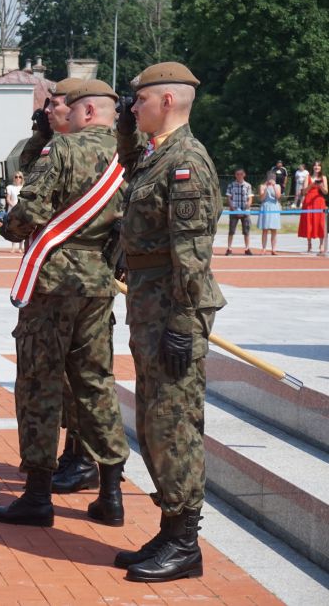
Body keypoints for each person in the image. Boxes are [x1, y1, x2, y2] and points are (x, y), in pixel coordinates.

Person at [0, 79, 130, 531]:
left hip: (52, 282)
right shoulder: (132, 157)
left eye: (70, 109)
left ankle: (37, 496)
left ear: (88, 112)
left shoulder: (64, 152)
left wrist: (8, 226)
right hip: (99, 281)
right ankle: (111, 493)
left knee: (39, 384)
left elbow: (27, 216)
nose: (65, 116)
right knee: (95, 382)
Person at [114, 62, 226, 582]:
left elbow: (192, 255)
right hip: (151, 307)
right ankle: (169, 527)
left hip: (172, 312)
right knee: (157, 422)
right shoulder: (160, 156)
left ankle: (185, 543)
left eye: (139, 101)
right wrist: (122, 126)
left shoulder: (186, 164)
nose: (133, 107)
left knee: (174, 425)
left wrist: (185, 321)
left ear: (167, 102)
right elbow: (130, 165)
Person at [15, 77, 95, 492]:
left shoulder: (96, 151)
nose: (49, 110)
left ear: (82, 108)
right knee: (65, 378)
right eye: (47, 106)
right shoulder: (53, 148)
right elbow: (24, 172)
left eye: (57, 105)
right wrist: (38, 133)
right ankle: (74, 456)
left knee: (70, 377)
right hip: (59, 272)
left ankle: (81, 458)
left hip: (73, 278)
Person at [298, 161, 327, 255]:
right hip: (309, 201)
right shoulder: (308, 177)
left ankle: (321, 245)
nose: (317, 167)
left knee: (320, 222)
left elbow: (326, 192)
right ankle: (309, 244)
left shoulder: (323, 177)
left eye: (319, 165)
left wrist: (321, 186)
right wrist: (312, 184)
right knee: (309, 221)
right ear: (313, 167)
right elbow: (304, 191)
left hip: (319, 201)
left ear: (321, 168)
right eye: (315, 165)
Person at [225, 168, 253, 255]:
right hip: (234, 211)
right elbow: (229, 198)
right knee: (231, 231)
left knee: (246, 231)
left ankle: (247, 248)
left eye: (241, 174)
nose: (239, 176)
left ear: (244, 174)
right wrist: (234, 210)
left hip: (245, 211)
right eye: (237, 174)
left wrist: (244, 210)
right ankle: (229, 249)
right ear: (235, 175)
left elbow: (250, 199)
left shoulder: (248, 185)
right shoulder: (231, 185)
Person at [257, 172, 281, 255]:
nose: (271, 178)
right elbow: (261, 198)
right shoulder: (262, 186)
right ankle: (264, 248)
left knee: (274, 230)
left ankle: (274, 249)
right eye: (270, 177)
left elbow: (278, 197)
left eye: (273, 177)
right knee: (265, 230)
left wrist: (274, 186)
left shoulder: (277, 186)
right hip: (265, 207)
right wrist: (266, 187)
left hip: (274, 207)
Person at [5, 172, 24, 253]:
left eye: (20, 177)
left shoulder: (24, 187)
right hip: (12, 211)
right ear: (14, 178)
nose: (18, 178)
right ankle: (13, 247)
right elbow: (8, 199)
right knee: (13, 229)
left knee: (22, 229)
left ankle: (20, 247)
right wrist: (14, 206)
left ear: (22, 179)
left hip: (22, 211)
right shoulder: (10, 187)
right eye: (16, 177)